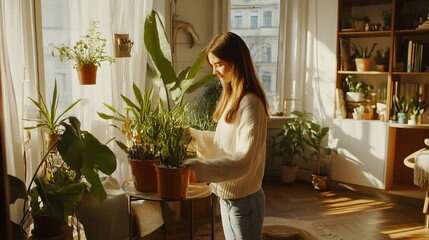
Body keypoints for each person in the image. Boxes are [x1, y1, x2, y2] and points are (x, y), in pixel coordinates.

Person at [185, 32, 270, 240]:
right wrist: (190, 135)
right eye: (213, 65)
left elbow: (243, 158)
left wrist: (195, 167)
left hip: (245, 201)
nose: (215, 72)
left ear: (236, 62)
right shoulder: (234, 99)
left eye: (219, 64)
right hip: (229, 198)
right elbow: (223, 143)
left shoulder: (251, 104)